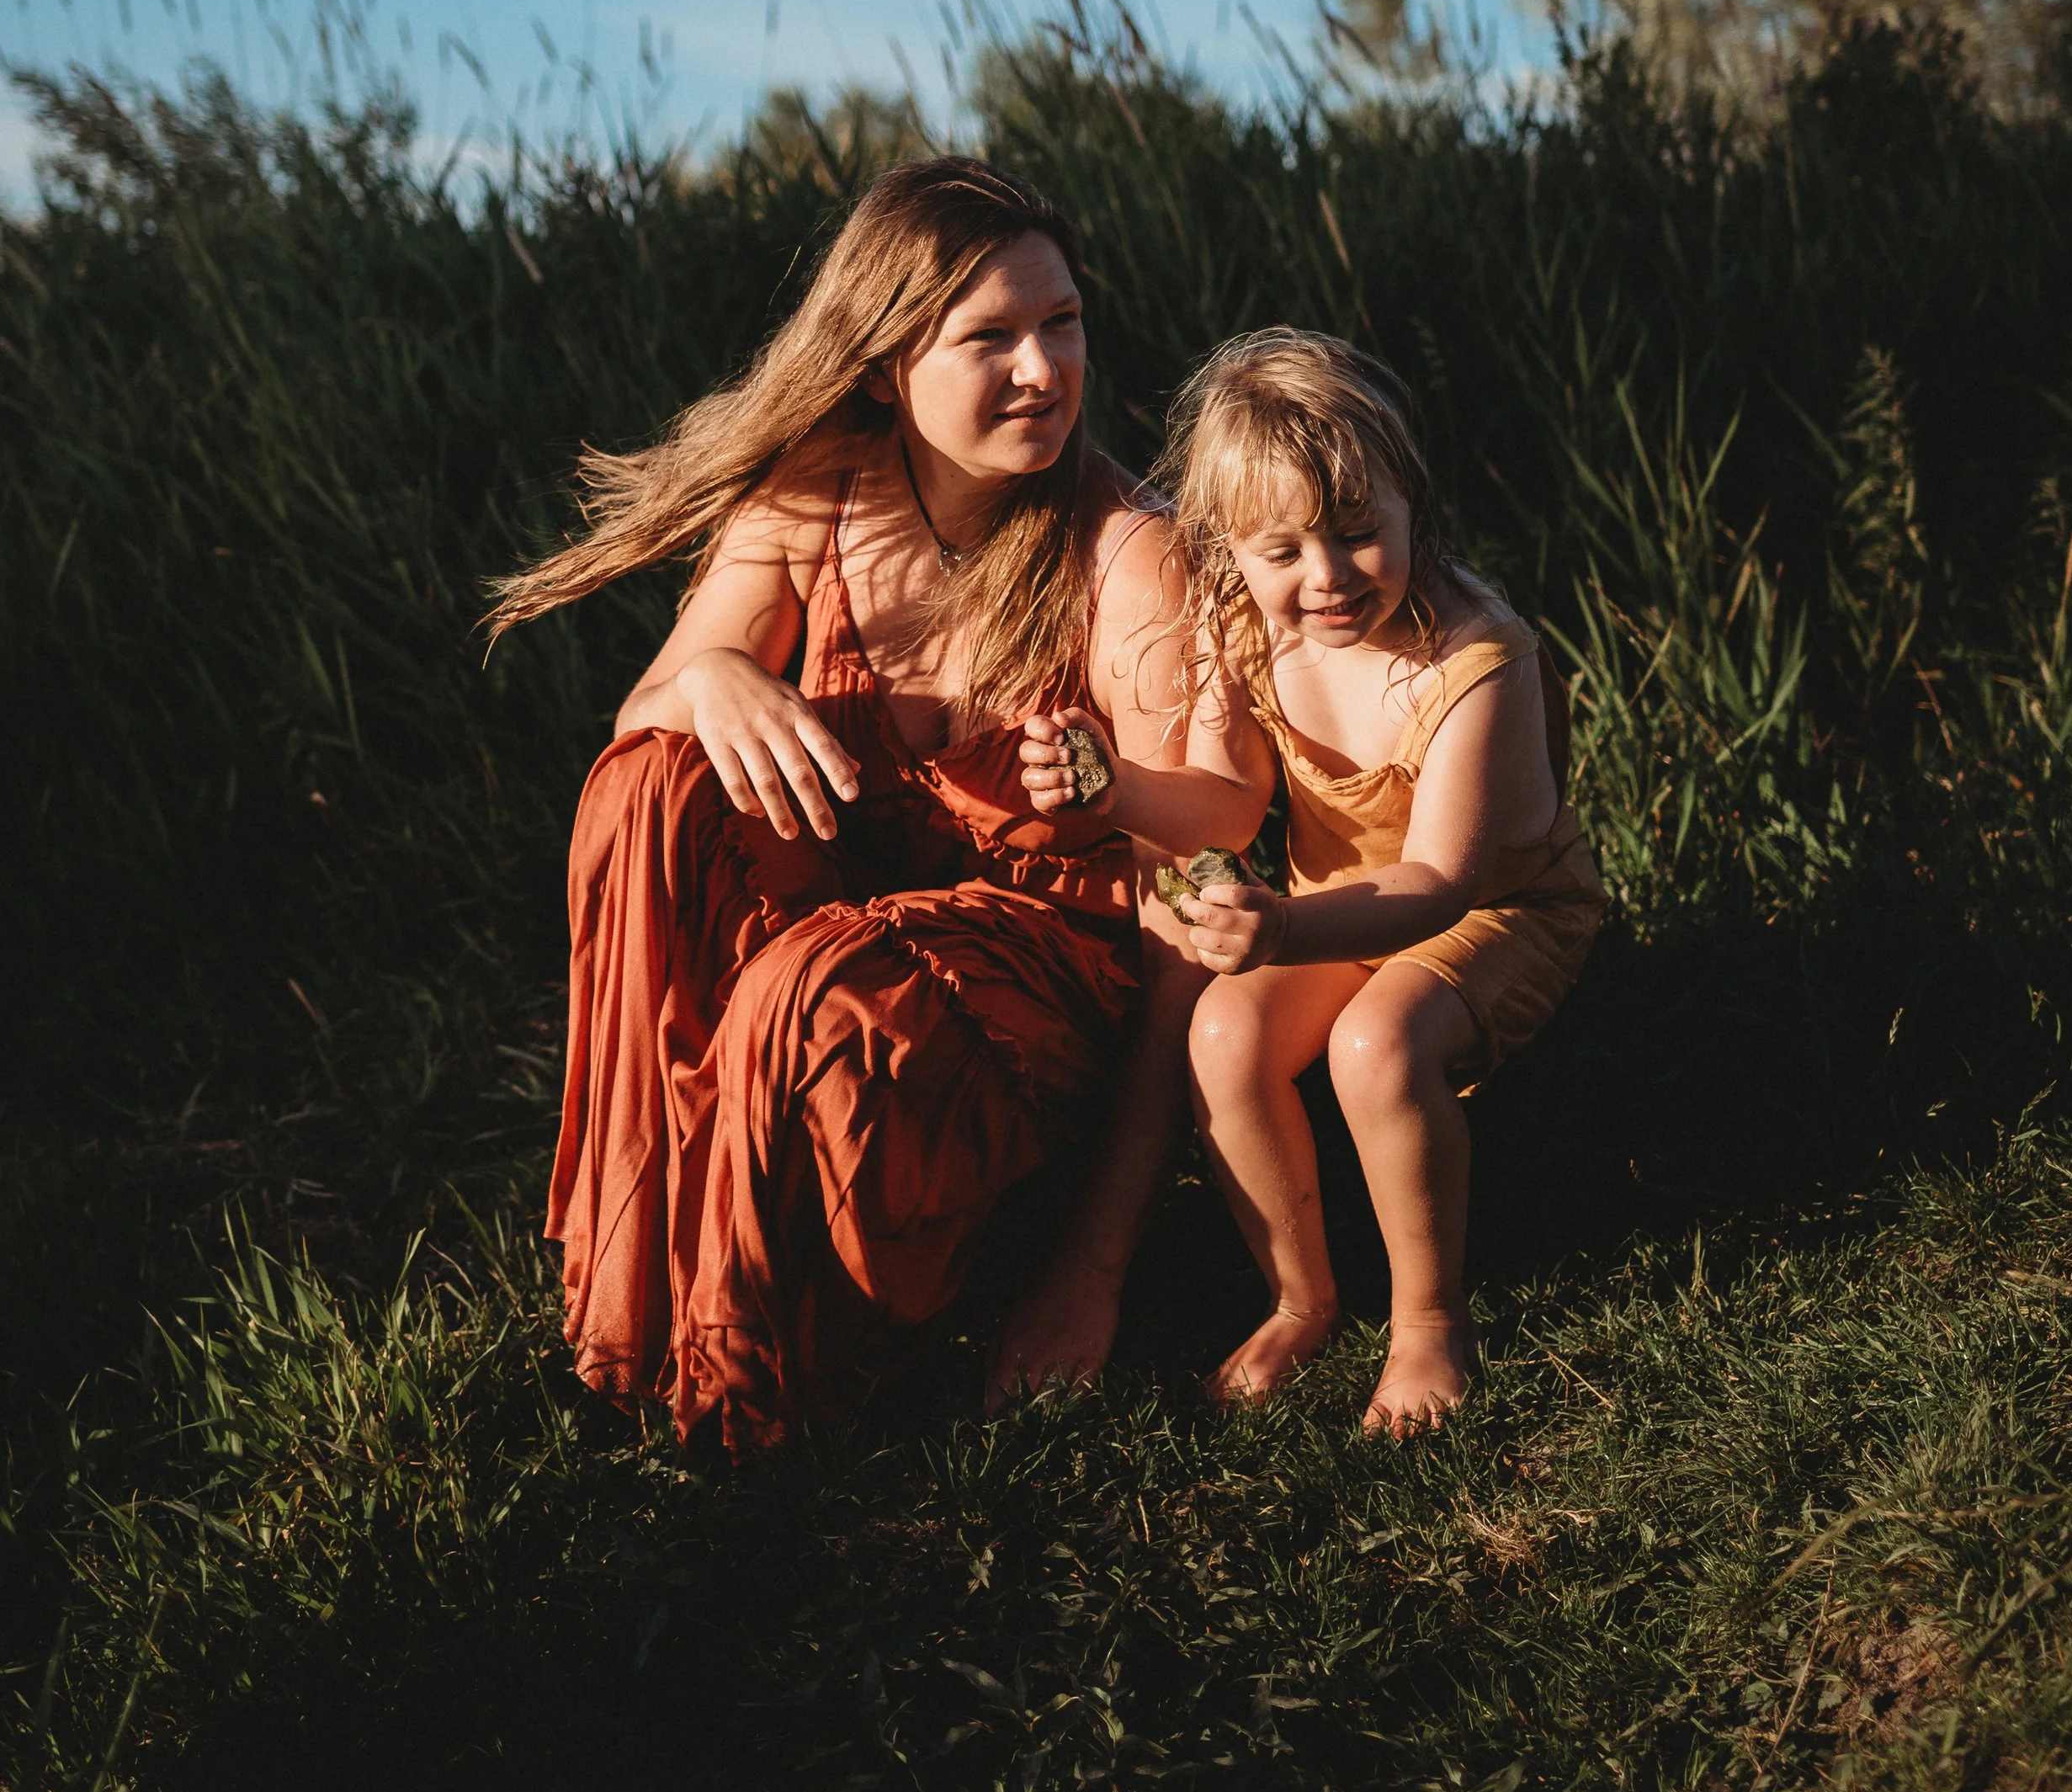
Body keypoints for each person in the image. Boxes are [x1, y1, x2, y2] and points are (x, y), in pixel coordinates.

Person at [486, 157, 1260, 1453]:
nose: (1043, 370)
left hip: (1032, 1025)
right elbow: (645, 713)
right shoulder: (816, 491)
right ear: (889, 357)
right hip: (850, 958)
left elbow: (1195, 906)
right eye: (992, 338)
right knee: (646, 793)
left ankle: (781, 1372)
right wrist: (720, 677)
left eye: (1061, 324)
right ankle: (648, 1279)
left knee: (814, 980)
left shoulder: (1126, 551)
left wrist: (1093, 1268)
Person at [1029, 327, 1604, 1438]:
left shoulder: (1479, 658)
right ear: (1231, 553)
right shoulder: (1246, 634)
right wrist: (1117, 800)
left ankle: (1429, 1322)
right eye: (1282, 551)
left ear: (1411, 506)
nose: (1328, 578)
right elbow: (1229, 805)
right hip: (1336, 908)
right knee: (1221, 1040)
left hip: (1498, 912)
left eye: (1357, 536)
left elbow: (1442, 878)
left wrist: (1282, 924)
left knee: (1375, 1046)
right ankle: (1304, 1298)